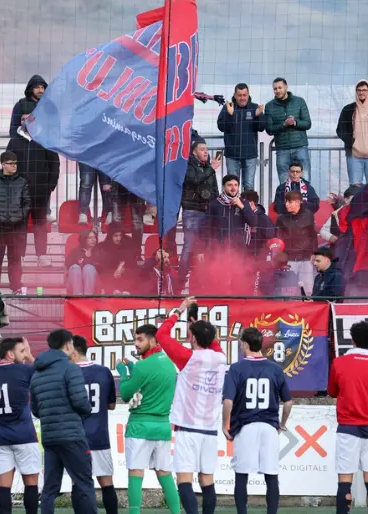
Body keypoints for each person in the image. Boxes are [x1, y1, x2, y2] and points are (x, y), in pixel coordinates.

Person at [153, 297, 227, 514]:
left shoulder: (188, 357)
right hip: (210, 429)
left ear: (193, 339)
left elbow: (161, 335)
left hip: (188, 428)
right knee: (207, 479)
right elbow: (212, 341)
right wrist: (195, 322)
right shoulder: (220, 358)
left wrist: (179, 311)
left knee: (184, 479)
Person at [222, 327, 294, 514]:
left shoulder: (237, 368)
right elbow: (288, 402)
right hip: (269, 427)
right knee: (271, 475)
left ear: (245, 344)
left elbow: (228, 400)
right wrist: (282, 424)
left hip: (245, 427)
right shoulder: (276, 369)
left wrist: (225, 424)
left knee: (241, 475)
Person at [328, 321, 368, 514]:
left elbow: (332, 391)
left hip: (347, 427)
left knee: (345, 480)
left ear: (352, 340)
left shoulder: (339, 363)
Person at [30, 330, 96, 514]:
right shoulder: (71, 368)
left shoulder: (37, 374)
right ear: (68, 345)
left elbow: (35, 409)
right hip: (72, 435)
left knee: (50, 488)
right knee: (84, 483)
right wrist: (86, 411)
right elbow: (80, 402)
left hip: (50, 437)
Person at [117, 324, 180, 514]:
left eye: (140, 339)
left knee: (136, 473)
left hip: (139, 427)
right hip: (162, 426)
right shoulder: (170, 364)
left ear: (153, 340)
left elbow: (126, 393)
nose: (136, 344)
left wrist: (123, 372)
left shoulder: (142, 366)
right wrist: (133, 368)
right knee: (164, 473)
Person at [0, 337, 40, 514]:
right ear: (10, 354)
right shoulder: (24, 370)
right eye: (22, 351)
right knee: (31, 483)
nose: (24, 355)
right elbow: (45, 371)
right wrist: (31, 356)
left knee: (4, 485)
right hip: (24, 435)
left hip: (0, 436)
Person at [6, 104, 61, 267]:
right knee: (20, 224)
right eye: (22, 119)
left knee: (39, 224)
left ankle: (41, 255)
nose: (25, 121)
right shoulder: (14, 142)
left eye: (28, 118)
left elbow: (54, 164)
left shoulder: (45, 140)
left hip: (40, 192)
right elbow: (7, 165)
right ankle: (19, 255)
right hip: (19, 192)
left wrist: (50, 186)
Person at [71, 336, 119, 514]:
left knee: (78, 483)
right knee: (107, 482)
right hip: (99, 435)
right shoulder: (103, 371)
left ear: (72, 350)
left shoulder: (68, 373)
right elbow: (112, 405)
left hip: (76, 437)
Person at [0, 151, 32, 293]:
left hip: (16, 229)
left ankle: (16, 286)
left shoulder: (23, 183)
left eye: (16, 163)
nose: (14, 166)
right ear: (3, 165)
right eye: (11, 163)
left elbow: (27, 203)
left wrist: (19, 217)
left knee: (15, 260)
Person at [178, 141, 220, 288]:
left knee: (207, 246)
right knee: (189, 245)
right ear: (194, 152)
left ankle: (206, 278)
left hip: (207, 211)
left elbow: (215, 189)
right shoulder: (188, 165)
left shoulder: (208, 168)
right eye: (202, 149)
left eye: (206, 149)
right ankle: (181, 278)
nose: (205, 152)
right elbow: (194, 180)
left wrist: (216, 207)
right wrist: (212, 169)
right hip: (192, 211)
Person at [217, 83, 266, 191]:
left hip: (250, 154)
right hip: (232, 155)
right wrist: (230, 115)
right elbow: (221, 127)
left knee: (249, 186)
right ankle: (233, 208)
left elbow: (261, 127)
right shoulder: (228, 107)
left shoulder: (254, 107)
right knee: (232, 187)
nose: (242, 98)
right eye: (239, 95)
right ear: (235, 95)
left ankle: (247, 208)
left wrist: (258, 116)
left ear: (248, 95)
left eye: (244, 95)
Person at [265, 78, 312, 183]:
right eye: (275, 88)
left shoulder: (299, 101)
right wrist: (284, 124)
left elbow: (308, 123)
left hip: (300, 147)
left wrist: (295, 123)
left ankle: (304, 199)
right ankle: (286, 199)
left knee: (305, 180)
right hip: (282, 149)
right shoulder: (269, 106)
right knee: (284, 182)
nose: (277, 90)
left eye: (280, 87)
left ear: (286, 87)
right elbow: (269, 129)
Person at [276, 191, 318, 289]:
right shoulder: (281, 218)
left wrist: (314, 253)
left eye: (290, 202)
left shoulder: (308, 215)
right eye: (286, 201)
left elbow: (313, 235)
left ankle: (308, 302)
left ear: (298, 202)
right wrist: (280, 253)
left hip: (306, 257)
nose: (287, 204)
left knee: (308, 288)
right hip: (289, 258)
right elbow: (278, 238)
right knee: (289, 288)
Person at [337, 80, 368, 185]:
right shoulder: (348, 109)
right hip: (354, 154)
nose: (361, 92)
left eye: (364, 90)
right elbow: (340, 130)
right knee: (354, 186)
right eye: (359, 90)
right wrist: (353, 142)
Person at [66, 230, 100, 295]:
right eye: (90, 238)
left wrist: (88, 259)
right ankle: (78, 295)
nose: (93, 240)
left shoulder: (99, 251)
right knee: (75, 267)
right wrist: (78, 263)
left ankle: (88, 296)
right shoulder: (75, 251)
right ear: (84, 239)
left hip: (93, 282)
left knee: (88, 268)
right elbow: (68, 265)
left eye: (94, 237)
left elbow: (101, 269)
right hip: (75, 282)